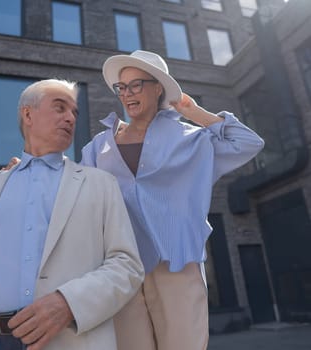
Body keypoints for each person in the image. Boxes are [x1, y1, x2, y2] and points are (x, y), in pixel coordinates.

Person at [0, 79, 144, 350]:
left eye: (74, 112)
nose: (70, 118)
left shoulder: (101, 184)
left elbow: (127, 264)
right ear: (28, 114)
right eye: (59, 107)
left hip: (73, 341)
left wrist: (70, 303)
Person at [79, 50, 265, 350]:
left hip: (177, 263)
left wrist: (194, 112)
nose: (127, 94)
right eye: (122, 88)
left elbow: (249, 143)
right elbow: (78, 191)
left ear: (158, 87)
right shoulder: (99, 145)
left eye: (136, 85)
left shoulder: (191, 138)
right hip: (121, 266)